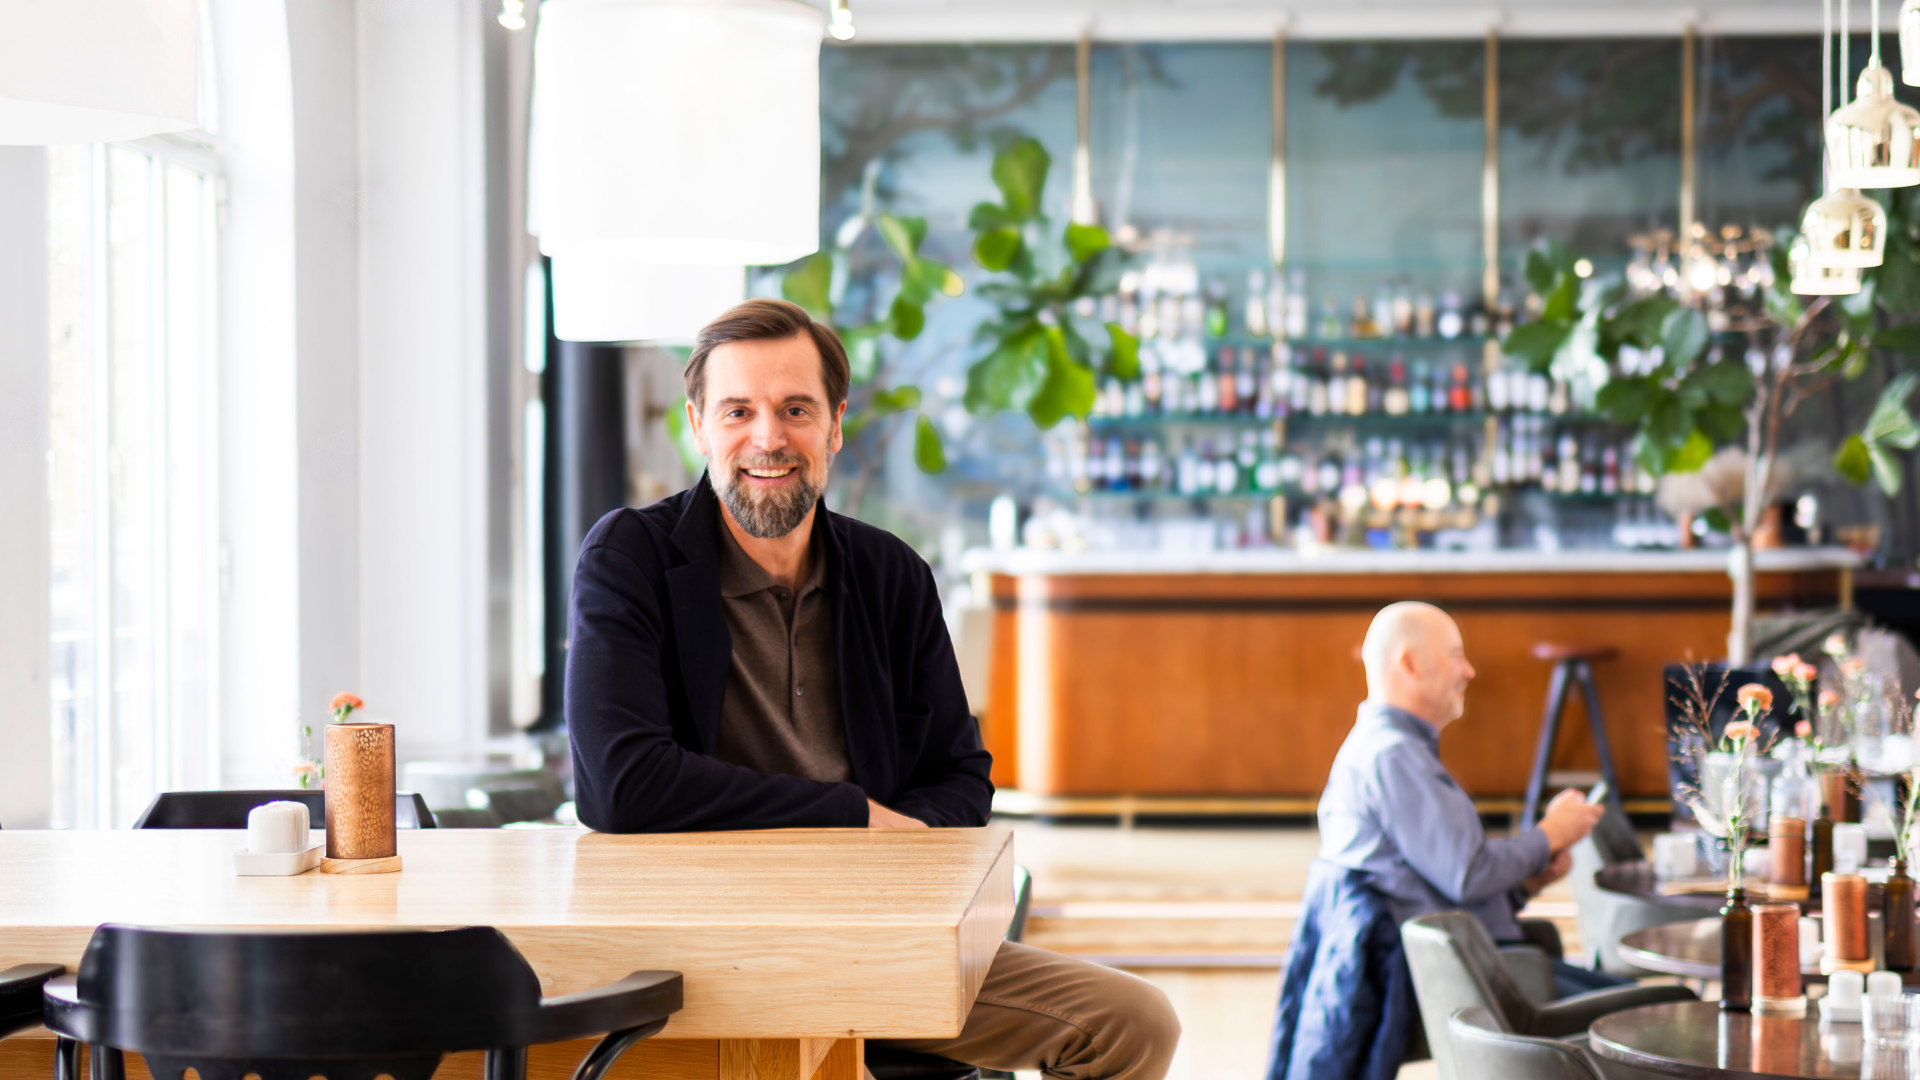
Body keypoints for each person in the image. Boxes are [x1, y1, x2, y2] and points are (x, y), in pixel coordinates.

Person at [565, 298, 1180, 1080]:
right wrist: (851, 816)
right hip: (695, 950)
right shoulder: (632, 557)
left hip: (879, 938)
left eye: (796, 409)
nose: (768, 438)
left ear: (835, 425)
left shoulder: (893, 574)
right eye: (738, 411)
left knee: (1133, 1023)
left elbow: (962, 778)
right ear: (698, 426)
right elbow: (621, 786)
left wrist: (893, 862)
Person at [1317, 601, 1625, 997]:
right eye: (1456, 656)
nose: (1469, 671)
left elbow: (1441, 887)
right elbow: (1468, 876)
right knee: (1655, 1009)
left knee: (1637, 999)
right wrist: (1550, 834)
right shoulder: (1393, 756)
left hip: (1477, 966)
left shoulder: (1390, 750)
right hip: (1473, 978)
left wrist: (1526, 883)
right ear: (1410, 664)